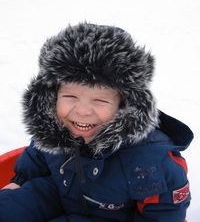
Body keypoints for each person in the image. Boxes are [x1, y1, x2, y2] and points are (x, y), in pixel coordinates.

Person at [0, 23, 193, 222]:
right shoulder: (55, 127)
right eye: (70, 96)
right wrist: (19, 181)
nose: (82, 111)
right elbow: (37, 154)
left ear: (124, 104)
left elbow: (165, 212)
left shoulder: (149, 160)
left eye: (100, 100)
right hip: (55, 194)